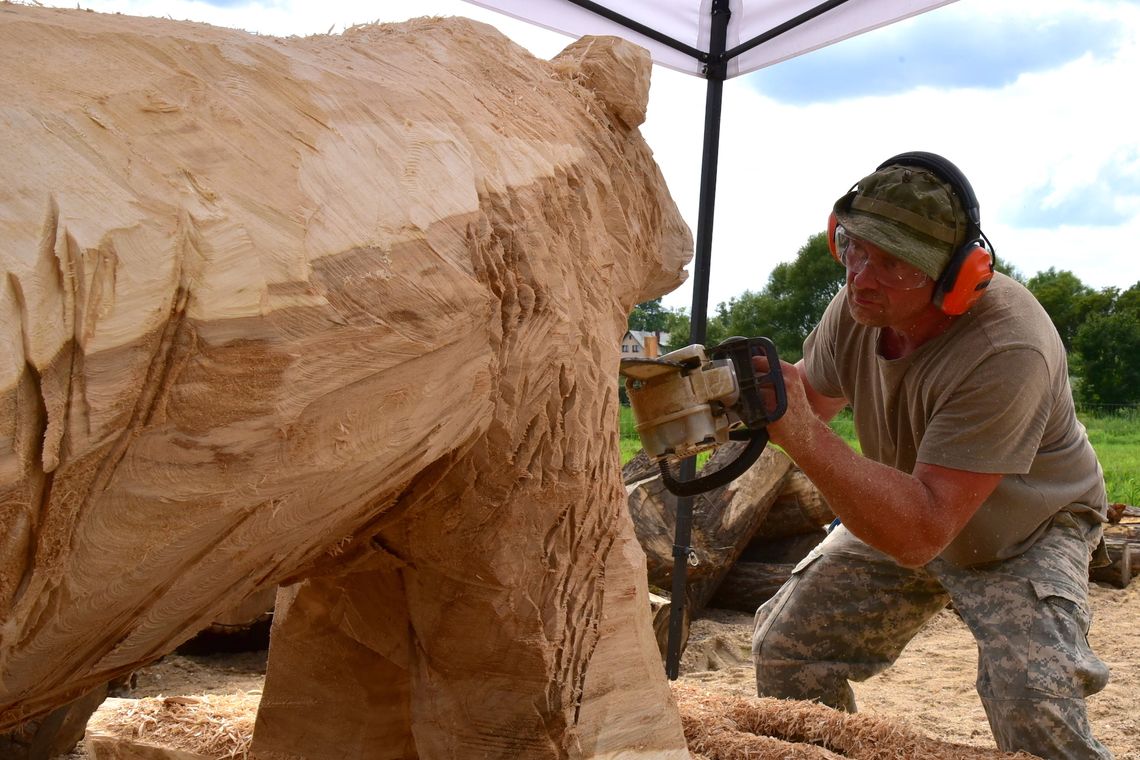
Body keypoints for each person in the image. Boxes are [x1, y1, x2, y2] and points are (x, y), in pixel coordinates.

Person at [750, 151, 1113, 759]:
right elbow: (811, 394)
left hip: (1022, 533)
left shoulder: (1007, 346)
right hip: (908, 502)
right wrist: (741, 391)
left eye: (892, 263)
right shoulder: (862, 306)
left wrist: (802, 435)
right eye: (855, 248)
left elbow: (921, 530)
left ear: (955, 277)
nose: (861, 275)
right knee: (787, 644)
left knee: (1033, 698)